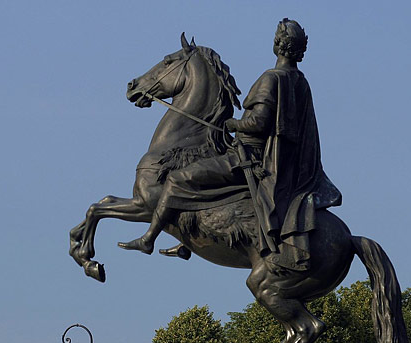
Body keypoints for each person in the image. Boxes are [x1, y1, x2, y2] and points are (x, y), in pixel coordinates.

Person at [119, 18, 341, 271]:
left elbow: (258, 122)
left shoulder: (272, 78)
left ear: (277, 45)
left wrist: (233, 124)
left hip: (248, 156)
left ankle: (149, 238)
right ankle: (187, 241)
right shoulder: (300, 82)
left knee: (179, 179)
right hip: (275, 161)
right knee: (203, 171)